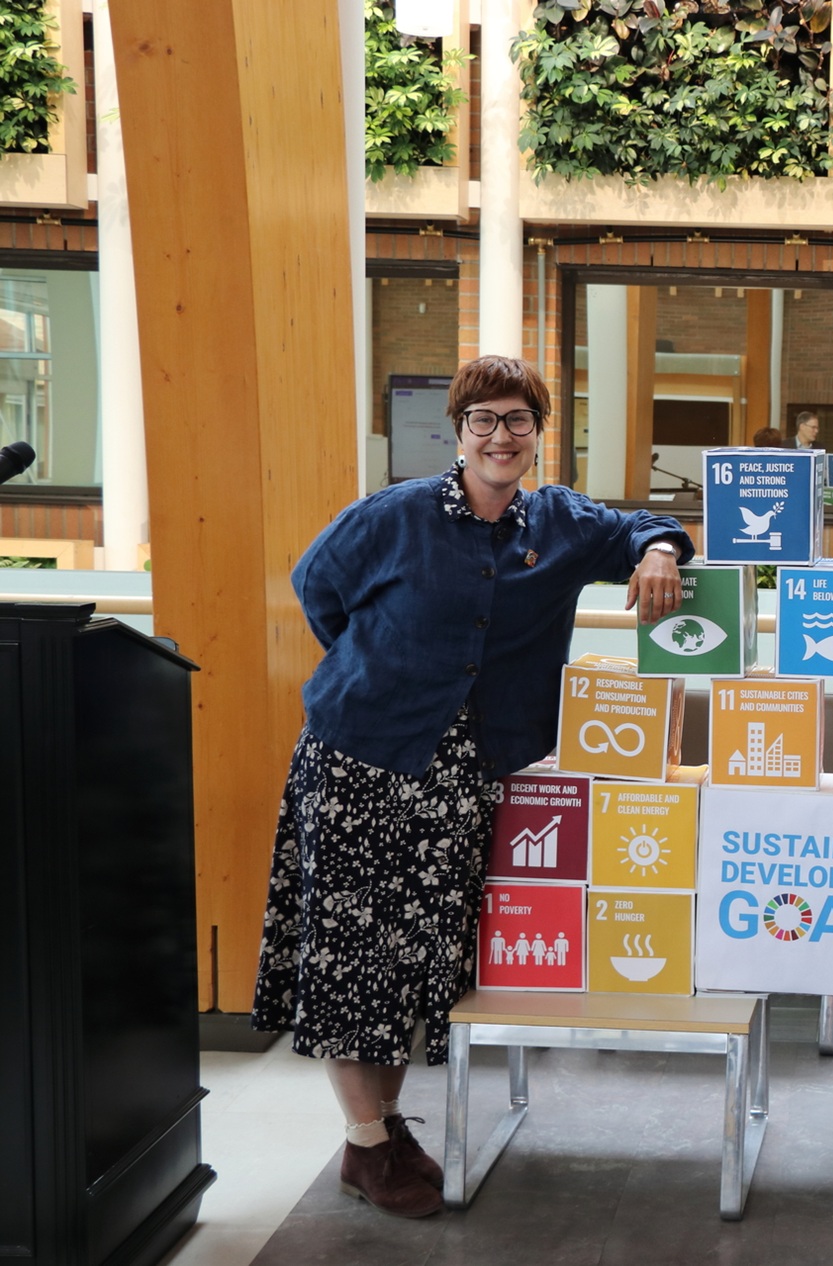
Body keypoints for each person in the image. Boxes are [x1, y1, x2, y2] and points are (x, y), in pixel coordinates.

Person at [251, 355, 693, 1219]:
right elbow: (320, 594)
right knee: (353, 964)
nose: (501, 436)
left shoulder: (559, 521)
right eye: (483, 420)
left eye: (518, 421)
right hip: (360, 759)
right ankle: (371, 1144)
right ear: (458, 432)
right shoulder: (395, 515)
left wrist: (661, 551)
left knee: (415, 965)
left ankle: (373, 1132)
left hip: (464, 777)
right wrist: (383, 670)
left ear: (538, 432)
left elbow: (647, 524)